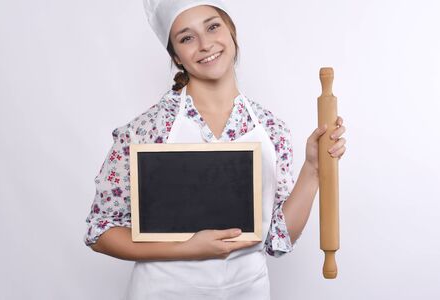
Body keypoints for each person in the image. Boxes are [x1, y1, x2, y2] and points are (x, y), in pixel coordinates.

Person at [83, 0, 347, 299]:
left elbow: (276, 238)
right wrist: (185, 249)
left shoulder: (272, 130)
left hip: (248, 291)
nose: (205, 44)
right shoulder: (145, 131)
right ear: (177, 57)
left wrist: (312, 170)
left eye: (212, 27)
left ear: (231, 32)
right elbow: (101, 232)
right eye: (186, 37)